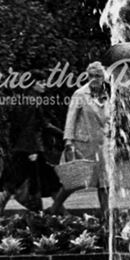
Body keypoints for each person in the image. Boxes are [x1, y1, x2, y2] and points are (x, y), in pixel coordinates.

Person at [50, 62, 111, 215]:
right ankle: (54, 208)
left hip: (103, 145)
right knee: (74, 182)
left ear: (104, 77)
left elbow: (111, 118)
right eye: (91, 76)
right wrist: (68, 142)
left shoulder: (108, 94)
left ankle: (106, 217)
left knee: (104, 183)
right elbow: (70, 119)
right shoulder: (80, 94)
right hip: (83, 145)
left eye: (98, 76)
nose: (94, 79)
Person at [0, 78, 62, 213]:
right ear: (33, 84)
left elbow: (41, 124)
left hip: (26, 147)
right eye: (41, 82)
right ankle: (58, 211)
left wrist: (62, 134)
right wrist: (32, 150)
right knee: (43, 179)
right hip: (30, 148)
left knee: (18, 178)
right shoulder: (31, 101)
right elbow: (30, 126)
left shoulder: (29, 99)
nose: (45, 84)